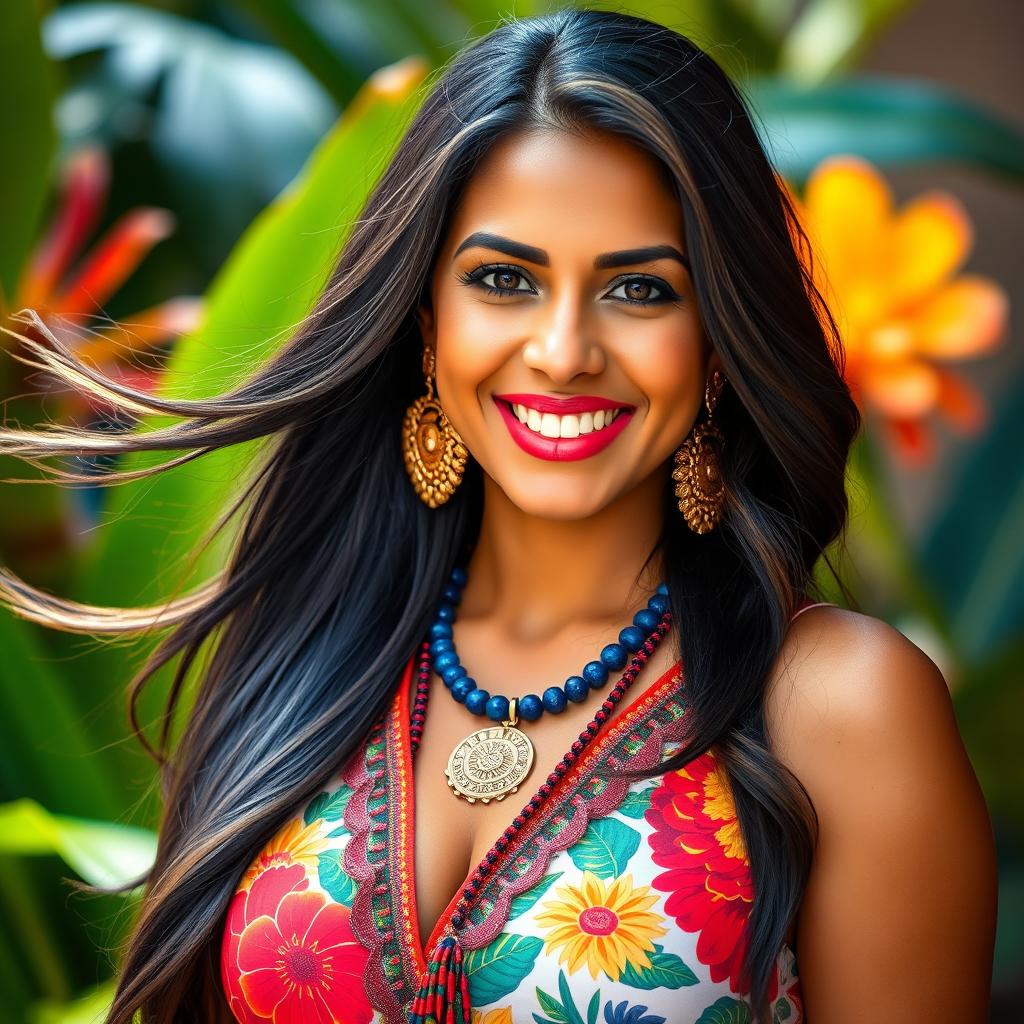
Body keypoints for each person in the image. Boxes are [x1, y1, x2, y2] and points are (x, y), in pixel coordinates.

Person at [0, 8, 997, 1023]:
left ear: (718, 337)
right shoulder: (311, 650)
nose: (563, 349)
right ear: (428, 319)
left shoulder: (840, 707)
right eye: (504, 280)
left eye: (640, 289)